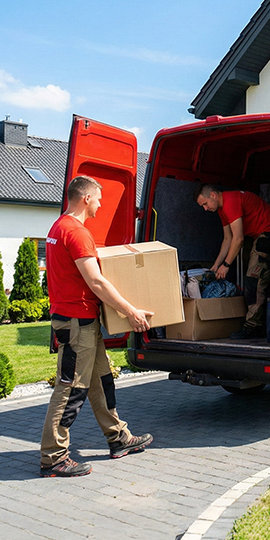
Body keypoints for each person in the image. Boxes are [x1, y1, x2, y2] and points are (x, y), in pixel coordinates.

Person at [39, 176, 154, 478]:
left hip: (80, 322)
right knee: (70, 390)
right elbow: (97, 281)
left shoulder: (58, 227)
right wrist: (130, 311)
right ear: (86, 198)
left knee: (102, 381)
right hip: (77, 324)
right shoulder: (76, 232)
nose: (101, 205)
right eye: (99, 199)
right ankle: (54, 457)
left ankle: (119, 438)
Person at [194, 184, 270, 339]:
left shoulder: (230, 202)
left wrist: (226, 265)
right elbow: (228, 239)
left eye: (205, 204)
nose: (205, 209)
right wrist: (215, 265)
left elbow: (238, 239)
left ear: (213, 195)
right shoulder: (221, 209)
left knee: (254, 280)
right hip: (257, 236)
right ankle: (258, 322)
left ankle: (252, 326)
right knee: (257, 279)